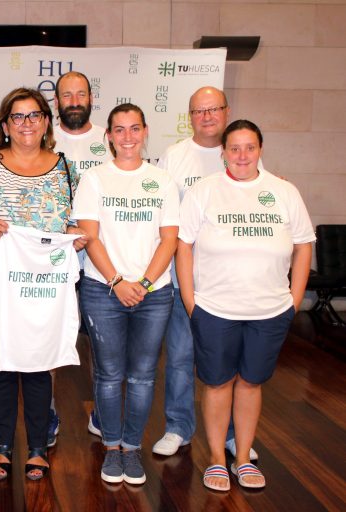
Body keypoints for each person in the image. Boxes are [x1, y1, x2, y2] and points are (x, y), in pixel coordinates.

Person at [0, 87, 83, 481]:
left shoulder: (65, 167)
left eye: (34, 115)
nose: (26, 124)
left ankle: (39, 447)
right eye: (18, 117)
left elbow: (77, 220)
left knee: (40, 367)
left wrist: (73, 236)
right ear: (5, 125)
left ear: (46, 122)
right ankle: (4, 446)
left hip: (45, 287)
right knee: (2, 366)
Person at [177, 120, 313, 491]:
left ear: (260, 150)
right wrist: (191, 303)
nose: (241, 155)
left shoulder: (284, 191)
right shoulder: (204, 191)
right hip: (215, 310)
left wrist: (294, 300)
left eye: (249, 147)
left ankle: (243, 458)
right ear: (222, 151)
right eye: (234, 148)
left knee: (251, 384)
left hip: (269, 311)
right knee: (219, 384)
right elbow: (183, 246)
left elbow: (303, 244)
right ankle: (218, 461)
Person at [72, 103, 179, 485]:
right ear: (109, 136)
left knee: (143, 377)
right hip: (104, 290)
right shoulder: (94, 179)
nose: (128, 137)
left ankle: (132, 449)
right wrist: (118, 282)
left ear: (145, 132)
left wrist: (145, 284)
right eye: (120, 130)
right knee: (108, 374)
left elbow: (169, 240)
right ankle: (112, 447)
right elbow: (90, 237)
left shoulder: (162, 180)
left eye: (135, 129)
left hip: (154, 293)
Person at [153, 87, 258, 461]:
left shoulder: (239, 155)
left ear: (227, 111)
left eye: (214, 109)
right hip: (185, 281)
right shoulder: (174, 156)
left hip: (232, 285)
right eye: (199, 110)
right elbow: (160, 215)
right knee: (180, 357)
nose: (207, 116)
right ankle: (178, 427)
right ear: (189, 116)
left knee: (231, 364)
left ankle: (233, 435)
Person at [53, 70, 112, 442]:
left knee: (100, 340)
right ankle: (47, 415)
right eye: (67, 95)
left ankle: (104, 413)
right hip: (52, 256)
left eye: (81, 94)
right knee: (51, 335)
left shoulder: (109, 142)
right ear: (56, 102)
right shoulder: (43, 138)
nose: (74, 101)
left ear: (91, 98)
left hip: (99, 255)